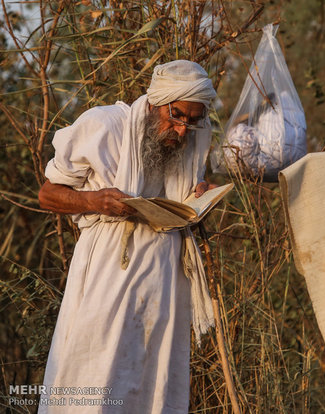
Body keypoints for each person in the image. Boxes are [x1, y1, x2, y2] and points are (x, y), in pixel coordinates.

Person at [37, 60, 218, 413]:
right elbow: (47, 194)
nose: (182, 131)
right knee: (95, 372)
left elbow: (180, 201)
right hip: (108, 276)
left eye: (193, 122)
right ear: (155, 103)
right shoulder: (104, 126)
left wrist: (198, 197)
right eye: (177, 116)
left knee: (152, 380)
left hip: (164, 282)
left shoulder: (192, 139)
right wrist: (94, 200)